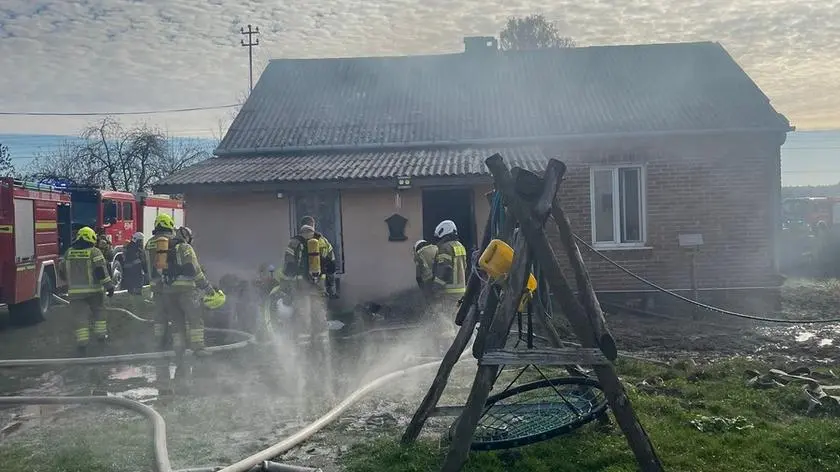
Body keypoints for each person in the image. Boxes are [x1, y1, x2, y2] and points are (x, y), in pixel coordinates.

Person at [145, 215, 221, 391]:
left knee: (177, 323)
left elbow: (156, 268)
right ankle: (198, 349)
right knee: (195, 319)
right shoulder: (185, 248)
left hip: (166, 291)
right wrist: (208, 288)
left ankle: (178, 350)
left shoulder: (155, 245)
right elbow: (195, 271)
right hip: (186, 290)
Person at [58, 226, 115, 357]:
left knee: (80, 318)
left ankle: (82, 344)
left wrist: (70, 283)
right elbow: (101, 272)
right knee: (99, 313)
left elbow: (62, 272)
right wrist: (109, 287)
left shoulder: (68, 253)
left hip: (75, 294)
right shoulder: (94, 252)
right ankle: (101, 338)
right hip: (94, 292)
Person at [431, 220, 467, 345]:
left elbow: (444, 269)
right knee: (455, 318)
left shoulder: (445, 248)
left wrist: (436, 288)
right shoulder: (460, 246)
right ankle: (459, 342)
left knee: (444, 318)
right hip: (461, 290)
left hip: (449, 291)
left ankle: (448, 347)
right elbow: (465, 267)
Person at [298, 216, 339, 299]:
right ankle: (330, 293)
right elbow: (331, 261)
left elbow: (292, 261)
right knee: (321, 304)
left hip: (304, 280)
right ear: (313, 226)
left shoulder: (297, 241)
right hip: (321, 279)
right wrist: (331, 289)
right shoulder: (322, 240)